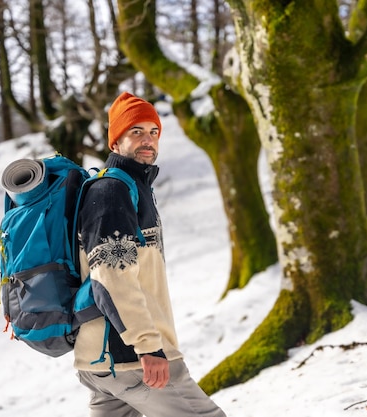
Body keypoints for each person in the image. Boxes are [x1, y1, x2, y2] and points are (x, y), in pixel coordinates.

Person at [74, 91, 227, 417]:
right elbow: (112, 277)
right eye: (136, 132)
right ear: (115, 143)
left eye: (153, 131)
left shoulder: (132, 189)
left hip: (102, 362)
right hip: (131, 356)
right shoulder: (112, 191)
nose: (148, 140)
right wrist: (148, 346)